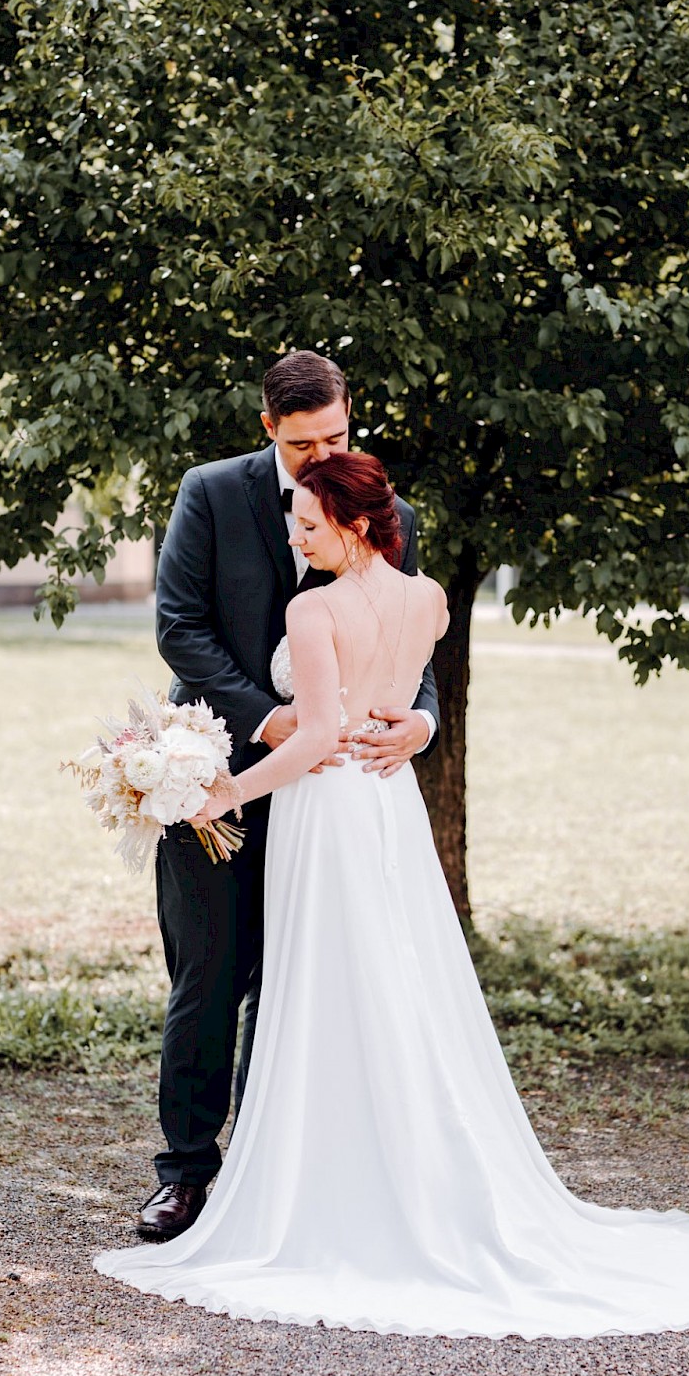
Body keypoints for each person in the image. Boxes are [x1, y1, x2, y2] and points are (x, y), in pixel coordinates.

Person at [96, 453, 689, 1339]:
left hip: (326, 809)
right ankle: (388, 1166)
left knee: (323, 984)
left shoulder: (313, 607)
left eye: (307, 524)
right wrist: (401, 727)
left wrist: (227, 790)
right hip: (389, 807)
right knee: (390, 980)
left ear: (350, 526)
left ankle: (323, 1184)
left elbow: (314, 738)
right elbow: (386, 697)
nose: (293, 535)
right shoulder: (426, 598)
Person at [139, 352, 438, 1241]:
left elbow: (405, 640)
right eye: (303, 442)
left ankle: (280, 1173)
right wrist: (267, 721)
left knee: (304, 986)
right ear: (267, 426)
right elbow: (179, 628)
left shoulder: (390, 513)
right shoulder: (210, 492)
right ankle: (187, 1172)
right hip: (230, 776)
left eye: (337, 437)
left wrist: (421, 722)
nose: (320, 458)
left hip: (341, 799)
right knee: (207, 978)